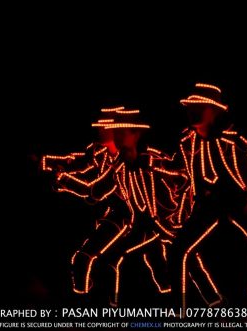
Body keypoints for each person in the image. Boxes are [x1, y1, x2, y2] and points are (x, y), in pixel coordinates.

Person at [168, 83, 247, 316]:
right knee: (178, 250)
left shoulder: (233, 140)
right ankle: (179, 313)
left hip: (243, 201)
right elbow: (184, 176)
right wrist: (184, 208)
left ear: (213, 111)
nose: (192, 111)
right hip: (208, 204)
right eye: (190, 107)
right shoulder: (188, 142)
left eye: (198, 107)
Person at [52, 108, 191, 305]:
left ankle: (192, 306)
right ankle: (110, 306)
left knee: (177, 265)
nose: (113, 135)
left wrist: (178, 212)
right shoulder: (115, 163)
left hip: (162, 224)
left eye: (119, 132)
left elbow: (183, 179)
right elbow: (95, 191)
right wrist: (63, 178)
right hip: (139, 224)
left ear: (136, 134)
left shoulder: (152, 158)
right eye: (114, 131)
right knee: (146, 264)